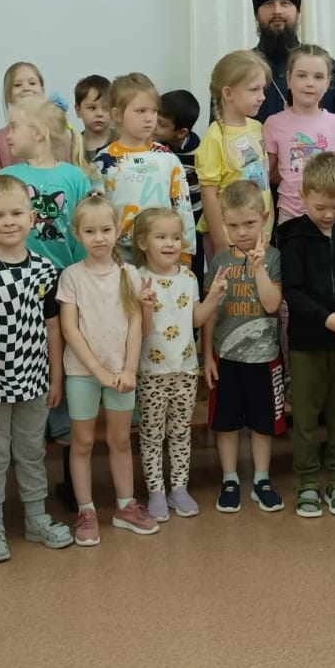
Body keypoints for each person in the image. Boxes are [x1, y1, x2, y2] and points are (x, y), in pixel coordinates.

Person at [0, 175, 74, 560]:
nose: (8, 222)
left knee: (31, 451)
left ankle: (37, 518)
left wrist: (55, 377)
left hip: (35, 381)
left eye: (16, 213)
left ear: (32, 218)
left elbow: (53, 327)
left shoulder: (45, 269)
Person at [57, 194, 156, 542]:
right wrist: (99, 372)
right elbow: (70, 330)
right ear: (77, 234)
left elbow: (138, 326)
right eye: (90, 231)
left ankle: (126, 506)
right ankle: (86, 511)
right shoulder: (71, 277)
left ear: (117, 231)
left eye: (105, 230)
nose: (99, 238)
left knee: (120, 440)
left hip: (122, 373)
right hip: (83, 374)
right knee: (82, 442)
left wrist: (128, 369)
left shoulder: (129, 274)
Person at [280, 152, 335, 519]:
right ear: (303, 195)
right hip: (305, 343)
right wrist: (327, 319)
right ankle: (307, 481)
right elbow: (293, 291)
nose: (329, 214)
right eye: (320, 207)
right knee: (305, 414)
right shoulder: (291, 237)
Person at [247, 0, 335, 214]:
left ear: (298, 11)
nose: (277, 10)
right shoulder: (242, 69)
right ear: (256, 13)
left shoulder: (324, 67)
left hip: (321, 208)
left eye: (285, 3)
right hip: (254, 207)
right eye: (268, 4)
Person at [203, 180, 285, 513]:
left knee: (263, 423)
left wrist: (258, 269)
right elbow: (210, 312)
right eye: (234, 225)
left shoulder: (274, 257)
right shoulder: (219, 260)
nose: (242, 232)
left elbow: (272, 304)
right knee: (227, 422)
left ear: (264, 218)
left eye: (249, 223)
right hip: (225, 356)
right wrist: (206, 356)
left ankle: (262, 479)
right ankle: (230, 479)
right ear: (224, 223)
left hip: (264, 357)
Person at [128, 206, 204, 522]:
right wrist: (145, 306)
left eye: (175, 236)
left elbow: (197, 319)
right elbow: (143, 331)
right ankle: (156, 491)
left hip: (186, 369)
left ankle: (179, 488)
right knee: (151, 433)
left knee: (180, 431)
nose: (170, 243)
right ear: (143, 242)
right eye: (161, 237)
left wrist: (215, 297)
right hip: (151, 371)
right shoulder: (136, 279)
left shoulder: (188, 277)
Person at [94, 74, 195, 260]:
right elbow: (96, 212)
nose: (149, 118)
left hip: (163, 256)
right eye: (140, 111)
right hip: (117, 257)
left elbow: (183, 208)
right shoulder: (103, 162)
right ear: (117, 115)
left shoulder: (168, 159)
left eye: (154, 111)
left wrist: (185, 253)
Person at [263, 44, 335, 226]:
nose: (310, 83)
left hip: (330, 217)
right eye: (302, 75)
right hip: (290, 217)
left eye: (318, 77)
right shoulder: (273, 123)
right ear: (289, 79)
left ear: (328, 82)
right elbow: (266, 176)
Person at [0, 97, 94, 269]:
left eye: (13, 127)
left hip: (65, 276)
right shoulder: (5, 177)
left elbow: (87, 228)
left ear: (37, 133)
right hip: (15, 276)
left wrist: (81, 272)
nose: (8, 136)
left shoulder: (75, 177)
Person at [196, 49, 272, 256]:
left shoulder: (257, 127)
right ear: (228, 93)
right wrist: (220, 242)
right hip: (229, 239)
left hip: (258, 235)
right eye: (254, 90)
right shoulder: (215, 137)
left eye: (263, 89)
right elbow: (208, 194)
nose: (262, 97)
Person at [157, 89, 204, 258]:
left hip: (194, 214)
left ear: (182, 132)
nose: (153, 126)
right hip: (165, 215)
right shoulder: (155, 146)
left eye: (161, 124)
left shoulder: (199, 153)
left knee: (192, 258)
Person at [0, 61, 47, 173]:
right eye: (18, 85)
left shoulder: (57, 133)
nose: (26, 88)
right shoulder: (0, 139)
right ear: (8, 95)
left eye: (32, 83)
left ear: (42, 91)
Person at [75, 74, 114, 163]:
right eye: (92, 108)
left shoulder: (124, 141)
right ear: (78, 110)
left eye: (106, 108)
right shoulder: (73, 146)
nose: (99, 114)